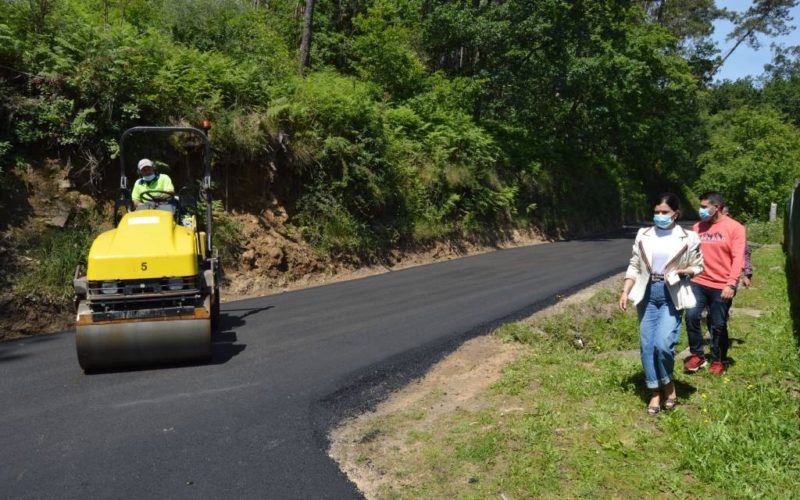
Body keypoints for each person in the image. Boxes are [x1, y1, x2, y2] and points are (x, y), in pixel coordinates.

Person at [619, 193, 704, 415]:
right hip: (647, 293)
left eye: (664, 212)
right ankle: (655, 392)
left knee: (663, 344)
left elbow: (699, 266)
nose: (659, 216)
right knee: (647, 345)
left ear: (676, 214)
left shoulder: (689, 237)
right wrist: (625, 290)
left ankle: (669, 385)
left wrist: (686, 271)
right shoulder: (644, 234)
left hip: (671, 293)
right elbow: (634, 265)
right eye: (656, 212)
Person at [683, 192, 746, 376]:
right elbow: (690, 253)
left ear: (716, 207)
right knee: (692, 316)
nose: (700, 210)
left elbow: (737, 258)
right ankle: (697, 355)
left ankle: (718, 359)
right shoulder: (697, 227)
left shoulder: (735, 228)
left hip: (722, 285)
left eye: (704, 207)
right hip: (698, 281)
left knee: (717, 324)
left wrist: (731, 284)